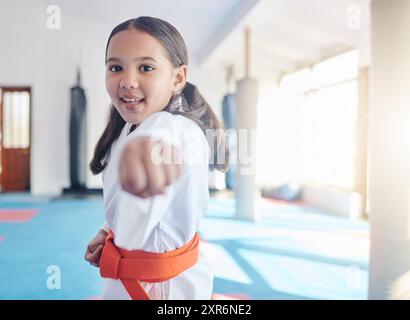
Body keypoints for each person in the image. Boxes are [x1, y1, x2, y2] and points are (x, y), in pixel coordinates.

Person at [84, 16, 228, 300]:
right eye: (116, 68)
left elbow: (162, 139)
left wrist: (148, 154)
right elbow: (131, 218)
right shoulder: (127, 127)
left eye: (146, 68)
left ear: (177, 78)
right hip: (135, 278)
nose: (127, 80)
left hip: (161, 289)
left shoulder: (174, 129)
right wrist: (107, 230)